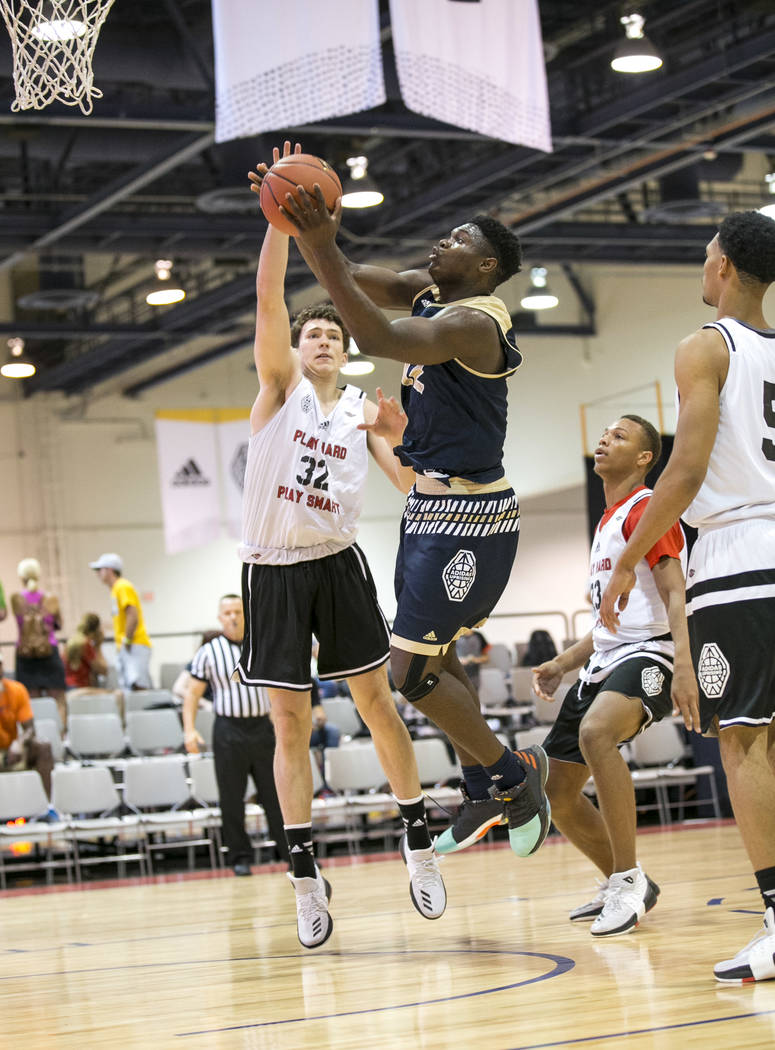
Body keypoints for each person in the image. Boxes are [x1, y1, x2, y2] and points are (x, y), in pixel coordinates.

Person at [285, 169, 550, 864]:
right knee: (442, 656)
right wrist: (304, 224)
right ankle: (478, 787)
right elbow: (348, 272)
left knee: (408, 672)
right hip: (426, 506)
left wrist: (315, 245)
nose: (442, 241)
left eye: (457, 239)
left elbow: (369, 332)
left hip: (470, 517)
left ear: (486, 267)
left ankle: (512, 777)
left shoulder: (470, 322)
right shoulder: (432, 295)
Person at [232, 143, 446, 949]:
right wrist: (282, 223)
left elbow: (412, 489)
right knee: (289, 727)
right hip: (272, 572)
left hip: (338, 565)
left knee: (375, 703)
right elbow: (265, 303)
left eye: (330, 333)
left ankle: (417, 842)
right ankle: (302, 876)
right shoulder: (278, 391)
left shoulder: (360, 409)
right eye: (310, 331)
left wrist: (407, 438)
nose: (319, 339)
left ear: (345, 350)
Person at [599, 211, 775, 981]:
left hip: (737, 560)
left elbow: (685, 470)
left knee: (745, 743)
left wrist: (627, 559)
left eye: (706, 258)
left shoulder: (705, 346)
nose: (702, 269)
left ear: (725, 270)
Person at [532, 415, 694, 936]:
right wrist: (563, 662)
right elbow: (610, 622)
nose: (604, 439)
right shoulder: (607, 522)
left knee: (597, 732)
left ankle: (628, 878)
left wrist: (685, 664)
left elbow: (674, 593)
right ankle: (622, 883)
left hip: (653, 655)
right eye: (604, 434)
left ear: (646, 458)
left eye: (620, 436)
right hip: (607, 658)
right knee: (556, 794)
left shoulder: (649, 510)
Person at [182, 594, 288, 877]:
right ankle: (240, 857)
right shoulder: (209, 651)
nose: (233, 617)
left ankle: (290, 853)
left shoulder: (262, 642)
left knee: (275, 794)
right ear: (219, 617)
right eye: (227, 612)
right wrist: (189, 730)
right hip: (228, 730)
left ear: (247, 612)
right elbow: (192, 693)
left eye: (238, 611)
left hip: (263, 729)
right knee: (231, 798)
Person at [10, 558, 66, 727]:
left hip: (25, 654)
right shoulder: (50, 599)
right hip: (49, 651)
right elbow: (59, 625)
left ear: (21, 576)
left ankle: (35, 737)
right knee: (58, 700)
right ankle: (60, 737)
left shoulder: (17, 599)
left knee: (30, 702)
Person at [89, 553, 152, 691]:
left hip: (134, 644)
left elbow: (132, 615)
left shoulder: (122, 587)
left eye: (100, 570)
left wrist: (127, 640)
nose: (98, 574)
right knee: (130, 687)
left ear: (109, 570)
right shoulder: (116, 590)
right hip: (128, 646)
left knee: (138, 685)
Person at [0, 654, 54, 798]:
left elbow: (30, 728)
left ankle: (47, 806)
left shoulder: (16, 689)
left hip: (10, 749)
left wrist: (19, 743)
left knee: (43, 747)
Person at [63, 613, 108, 690]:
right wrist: (98, 646)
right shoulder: (85, 644)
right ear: (97, 630)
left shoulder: (71, 641)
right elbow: (103, 670)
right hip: (81, 687)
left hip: (69, 687)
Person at [455, 628, 490, 693]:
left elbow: (486, 658)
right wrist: (459, 660)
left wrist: (475, 659)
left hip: (475, 676)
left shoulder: (478, 636)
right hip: (458, 675)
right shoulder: (454, 636)